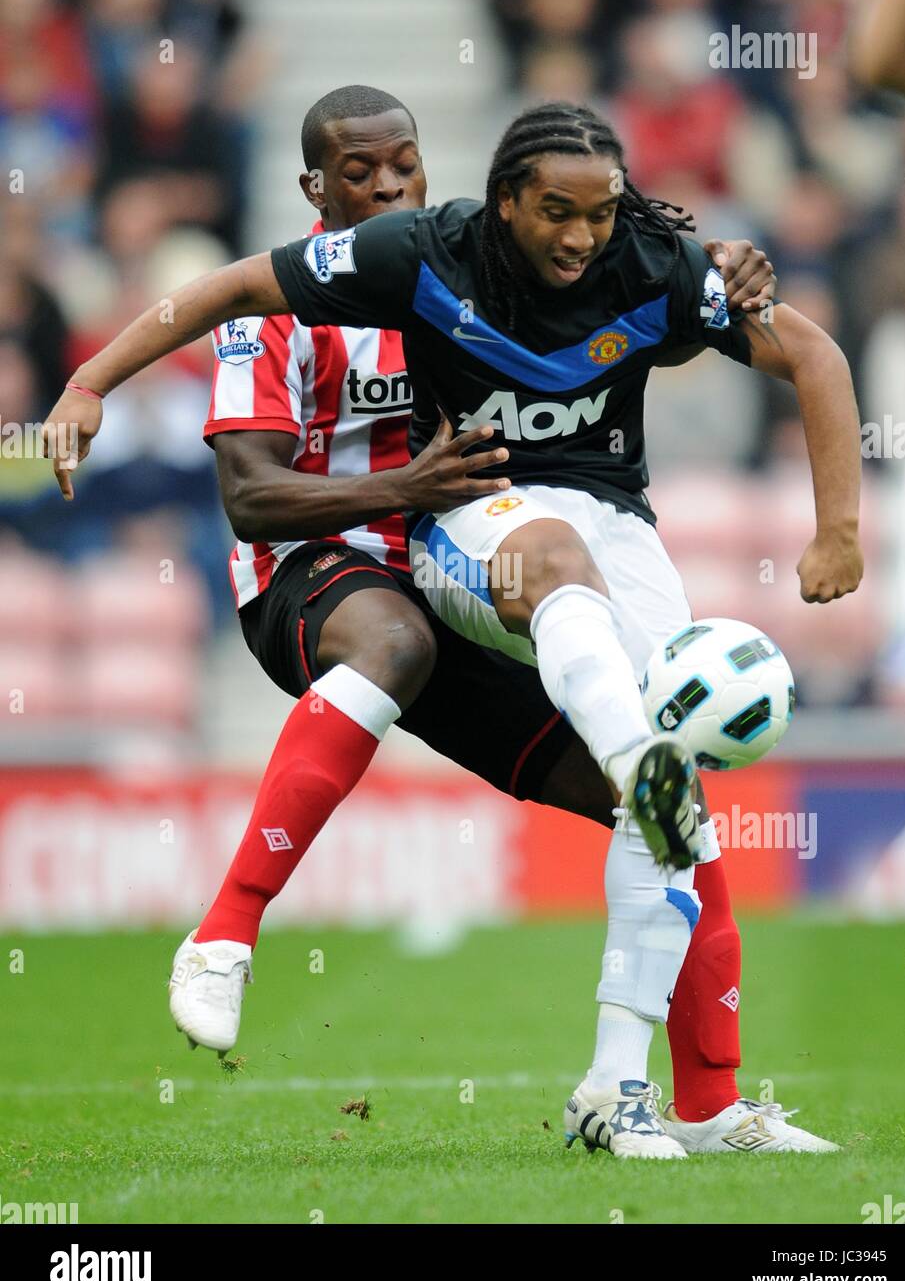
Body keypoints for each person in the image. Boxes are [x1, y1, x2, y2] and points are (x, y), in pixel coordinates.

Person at [43, 96, 851, 1158]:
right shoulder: (300, 304)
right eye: (358, 174)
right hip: (315, 573)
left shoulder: (461, 262)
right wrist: (89, 379)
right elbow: (249, 497)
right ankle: (226, 932)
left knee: (666, 814)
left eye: (404, 169)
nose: (385, 191)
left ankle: (687, 1098)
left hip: (455, 566)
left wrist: (711, 252)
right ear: (315, 194)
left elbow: (636, 248)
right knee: (398, 642)